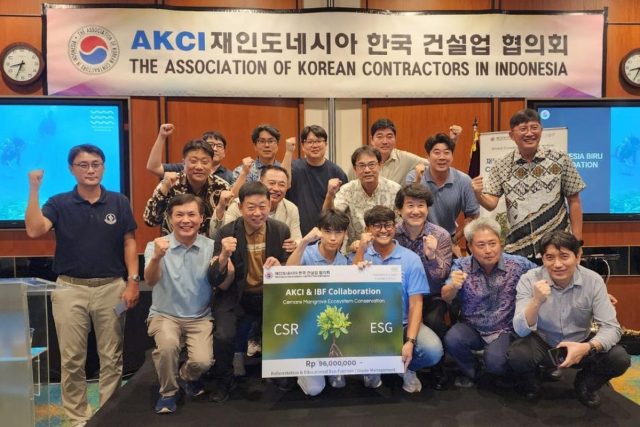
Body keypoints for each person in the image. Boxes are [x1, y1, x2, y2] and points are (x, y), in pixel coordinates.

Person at [25, 144, 139, 427]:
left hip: (111, 287)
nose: (90, 170)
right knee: (72, 358)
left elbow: (129, 242)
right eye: (83, 165)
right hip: (69, 289)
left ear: (103, 167)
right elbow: (35, 230)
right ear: (72, 169)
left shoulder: (119, 201)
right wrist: (34, 189)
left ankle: (108, 416)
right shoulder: (59, 202)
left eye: (96, 164)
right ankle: (77, 418)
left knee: (111, 357)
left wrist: (133, 281)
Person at [507, 231, 630, 408]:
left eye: (564, 256)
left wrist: (587, 347)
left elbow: (612, 328)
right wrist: (536, 301)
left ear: (578, 256)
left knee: (619, 358)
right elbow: (520, 329)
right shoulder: (529, 279)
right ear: (543, 259)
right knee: (517, 355)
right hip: (544, 341)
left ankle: (585, 384)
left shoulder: (593, 281)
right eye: (549, 257)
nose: (557, 264)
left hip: (581, 342)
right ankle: (533, 381)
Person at [207, 181, 291, 402]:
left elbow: (288, 264)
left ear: (270, 205)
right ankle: (224, 381)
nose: (257, 213)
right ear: (240, 207)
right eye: (251, 207)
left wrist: (281, 265)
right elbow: (214, 278)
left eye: (262, 206)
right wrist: (223, 256)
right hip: (236, 295)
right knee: (223, 335)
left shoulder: (280, 230)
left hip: (270, 295)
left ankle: (281, 372)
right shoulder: (226, 233)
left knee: (288, 324)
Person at [471, 109, 586, 260]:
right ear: (511, 135)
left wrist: (577, 242)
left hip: (556, 248)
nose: (529, 133)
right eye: (523, 129)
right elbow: (491, 204)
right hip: (518, 249)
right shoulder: (501, 164)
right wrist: (478, 194)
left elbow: (574, 200)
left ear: (541, 131)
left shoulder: (560, 158)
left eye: (534, 127)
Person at [354, 206, 444, 393]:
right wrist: (360, 252)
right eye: (377, 226)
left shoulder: (411, 259)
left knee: (432, 350)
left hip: (402, 324)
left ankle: (406, 367)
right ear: (367, 229)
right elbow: (349, 292)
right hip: (367, 325)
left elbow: (416, 304)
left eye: (388, 225)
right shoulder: (360, 255)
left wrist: (410, 341)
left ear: (395, 227)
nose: (383, 230)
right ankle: (374, 367)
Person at [144, 194, 220, 414]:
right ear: (170, 219)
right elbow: (150, 280)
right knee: (167, 347)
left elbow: (222, 279)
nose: (186, 220)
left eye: (191, 214)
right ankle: (168, 393)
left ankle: (185, 375)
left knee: (203, 362)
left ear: (202, 218)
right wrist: (157, 257)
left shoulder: (211, 246)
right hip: (165, 314)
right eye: (179, 215)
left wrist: (225, 257)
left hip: (200, 316)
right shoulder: (155, 246)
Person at [441, 217, 536, 388]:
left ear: (500, 244)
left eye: (492, 244)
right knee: (453, 339)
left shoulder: (518, 265)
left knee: (496, 363)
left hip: (504, 329)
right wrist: (453, 286)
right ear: (470, 247)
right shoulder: (461, 266)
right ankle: (474, 373)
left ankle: (498, 368)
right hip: (472, 327)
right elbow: (446, 295)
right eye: (481, 245)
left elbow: (542, 275)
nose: (488, 250)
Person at [286, 209, 351, 396]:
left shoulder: (343, 261)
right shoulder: (306, 253)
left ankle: (332, 362)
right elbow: (287, 275)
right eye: (327, 231)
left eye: (338, 232)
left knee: (338, 384)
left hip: (331, 328)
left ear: (345, 234)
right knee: (314, 389)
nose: (333, 238)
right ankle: (301, 367)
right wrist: (303, 242)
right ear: (319, 231)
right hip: (305, 326)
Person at [394, 183, 452, 390]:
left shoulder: (440, 235)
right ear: (399, 210)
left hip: (430, 295)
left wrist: (431, 256)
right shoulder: (392, 233)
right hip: (399, 297)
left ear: (428, 209)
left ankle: (437, 368)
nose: (416, 211)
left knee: (435, 321)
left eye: (421, 205)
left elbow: (441, 275)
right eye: (410, 205)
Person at [406, 133, 480, 255]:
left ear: (452, 156)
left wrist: (454, 240)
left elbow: (473, 216)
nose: (442, 157)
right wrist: (417, 182)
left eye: (446, 153)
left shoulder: (464, 180)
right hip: (417, 240)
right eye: (437, 152)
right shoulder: (415, 176)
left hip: (448, 240)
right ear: (427, 156)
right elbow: (407, 209)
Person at [143, 139, 231, 236]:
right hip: (174, 244)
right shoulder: (171, 184)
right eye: (193, 161)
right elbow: (150, 221)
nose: (199, 167)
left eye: (205, 162)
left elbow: (228, 227)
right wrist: (164, 189)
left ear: (211, 164)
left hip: (209, 244)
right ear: (183, 163)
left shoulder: (221, 187)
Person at [323, 146, 401, 250]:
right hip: (355, 249)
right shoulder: (347, 190)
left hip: (387, 249)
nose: (367, 170)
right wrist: (330, 194)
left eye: (371, 165)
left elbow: (400, 224)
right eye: (362, 165)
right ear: (355, 169)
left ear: (380, 165)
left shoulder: (395, 189)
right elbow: (329, 217)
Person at [348, 118, 463, 185]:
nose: (385, 141)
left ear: (395, 139)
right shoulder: (360, 163)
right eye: (380, 136)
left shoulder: (405, 159)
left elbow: (436, 162)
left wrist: (452, 141)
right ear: (372, 140)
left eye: (389, 136)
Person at [211, 165, 302, 249]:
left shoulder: (291, 208)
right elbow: (219, 237)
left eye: (281, 185)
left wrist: (295, 244)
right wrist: (220, 208)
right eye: (272, 183)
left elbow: (297, 239)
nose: (276, 188)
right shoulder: (240, 205)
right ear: (260, 183)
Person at [286, 125, 349, 236]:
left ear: (326, 144)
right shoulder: (293, 168)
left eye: (319, 141)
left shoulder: (337, 173)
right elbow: (283, 182)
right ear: (303, 145)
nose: (315, 145)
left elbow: (340, 212)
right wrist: (288, 152)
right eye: (310, 142)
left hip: (327, 234)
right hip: (296, 234)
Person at [146, 123, 234, 185]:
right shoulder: (185, 167)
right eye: (211, 144)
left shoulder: (229, 176)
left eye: (219, 146)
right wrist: (162, 136)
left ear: (224, 153)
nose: (215, 149)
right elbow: (153, 167)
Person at [231, 124, 295, 188]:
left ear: (277, 146)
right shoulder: (242, 171)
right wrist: (244, 173)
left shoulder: (284, 169)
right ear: (255, 146)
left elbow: (287, 186)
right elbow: (234, 194)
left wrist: (289, 151)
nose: (267, 145)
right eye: (262, 141)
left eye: (271, 141)